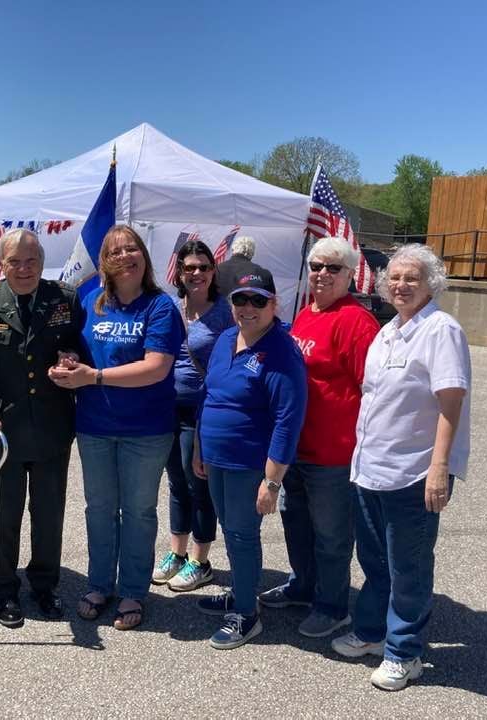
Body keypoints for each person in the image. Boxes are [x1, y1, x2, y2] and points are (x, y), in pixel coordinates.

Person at [331, 244, 471, 691]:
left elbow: (451, 402)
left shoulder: (441, 330)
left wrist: (440, 466)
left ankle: (405, 652)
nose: (401, 284)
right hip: (372, 467)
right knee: (374, 559)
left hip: (414, 471)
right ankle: (373, 633)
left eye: (412, 277)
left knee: (408, 565)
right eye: (394, 277)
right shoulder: (388, 329)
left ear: (432, 283)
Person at [49, 225, 184, 632]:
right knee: (100, 509)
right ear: (105, 261)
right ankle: (99, 584)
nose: (126, 256)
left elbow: (156, 367)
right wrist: (70, 361)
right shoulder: (92, 301)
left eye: (133, 249)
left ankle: (133, 590)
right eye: (117, 251)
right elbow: (76, 346)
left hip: (146, 429)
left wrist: (95, 377)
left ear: (144, 257)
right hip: (95, 425)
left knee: (139, 512)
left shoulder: (160, 307)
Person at [0, 228, 82, 628]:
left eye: (32, 261)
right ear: (2, 263)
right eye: (15, 261)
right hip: (1, 431)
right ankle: (4, 590)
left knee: (48, 515)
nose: (24, 269)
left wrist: (72, 358)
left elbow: (79, 345)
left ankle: (44, 585)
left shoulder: (64, 299)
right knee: (1, 516)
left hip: (51, 428)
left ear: (42, 262)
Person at [259, 237, 379, 638]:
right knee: (298, 524)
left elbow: (372, 390)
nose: (323, 274)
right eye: (316, 266)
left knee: (331, 534)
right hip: (296, 447)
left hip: (333, 452)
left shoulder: (356, 321)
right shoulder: (305, 315)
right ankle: (303, 585)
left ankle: (332, 605)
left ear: (349, 275)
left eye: (333, 268)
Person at [193, 267, 307, 649]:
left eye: (259, 300)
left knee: (242, 535)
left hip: (249, 464)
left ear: (274, 304)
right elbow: (208, 396)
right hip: (217, 457)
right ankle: (242, 592)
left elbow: (287, 422)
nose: (248, 308)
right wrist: (199, 448)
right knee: (230, 528)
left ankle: (246, 614)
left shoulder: (281, 351)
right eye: (241, 300)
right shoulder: (227, 337)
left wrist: (272, 482)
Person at [152, 240, 234, 592]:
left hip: (202, 410)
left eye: (203, 267)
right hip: (167, 405)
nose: (196, 273)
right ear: (179, 273)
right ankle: (178, 553)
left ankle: (201, 561)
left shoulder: (226, 311)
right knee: (175, 484)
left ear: (213, 271)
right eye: (189, 268)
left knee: (198, 482)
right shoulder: (170, 306)